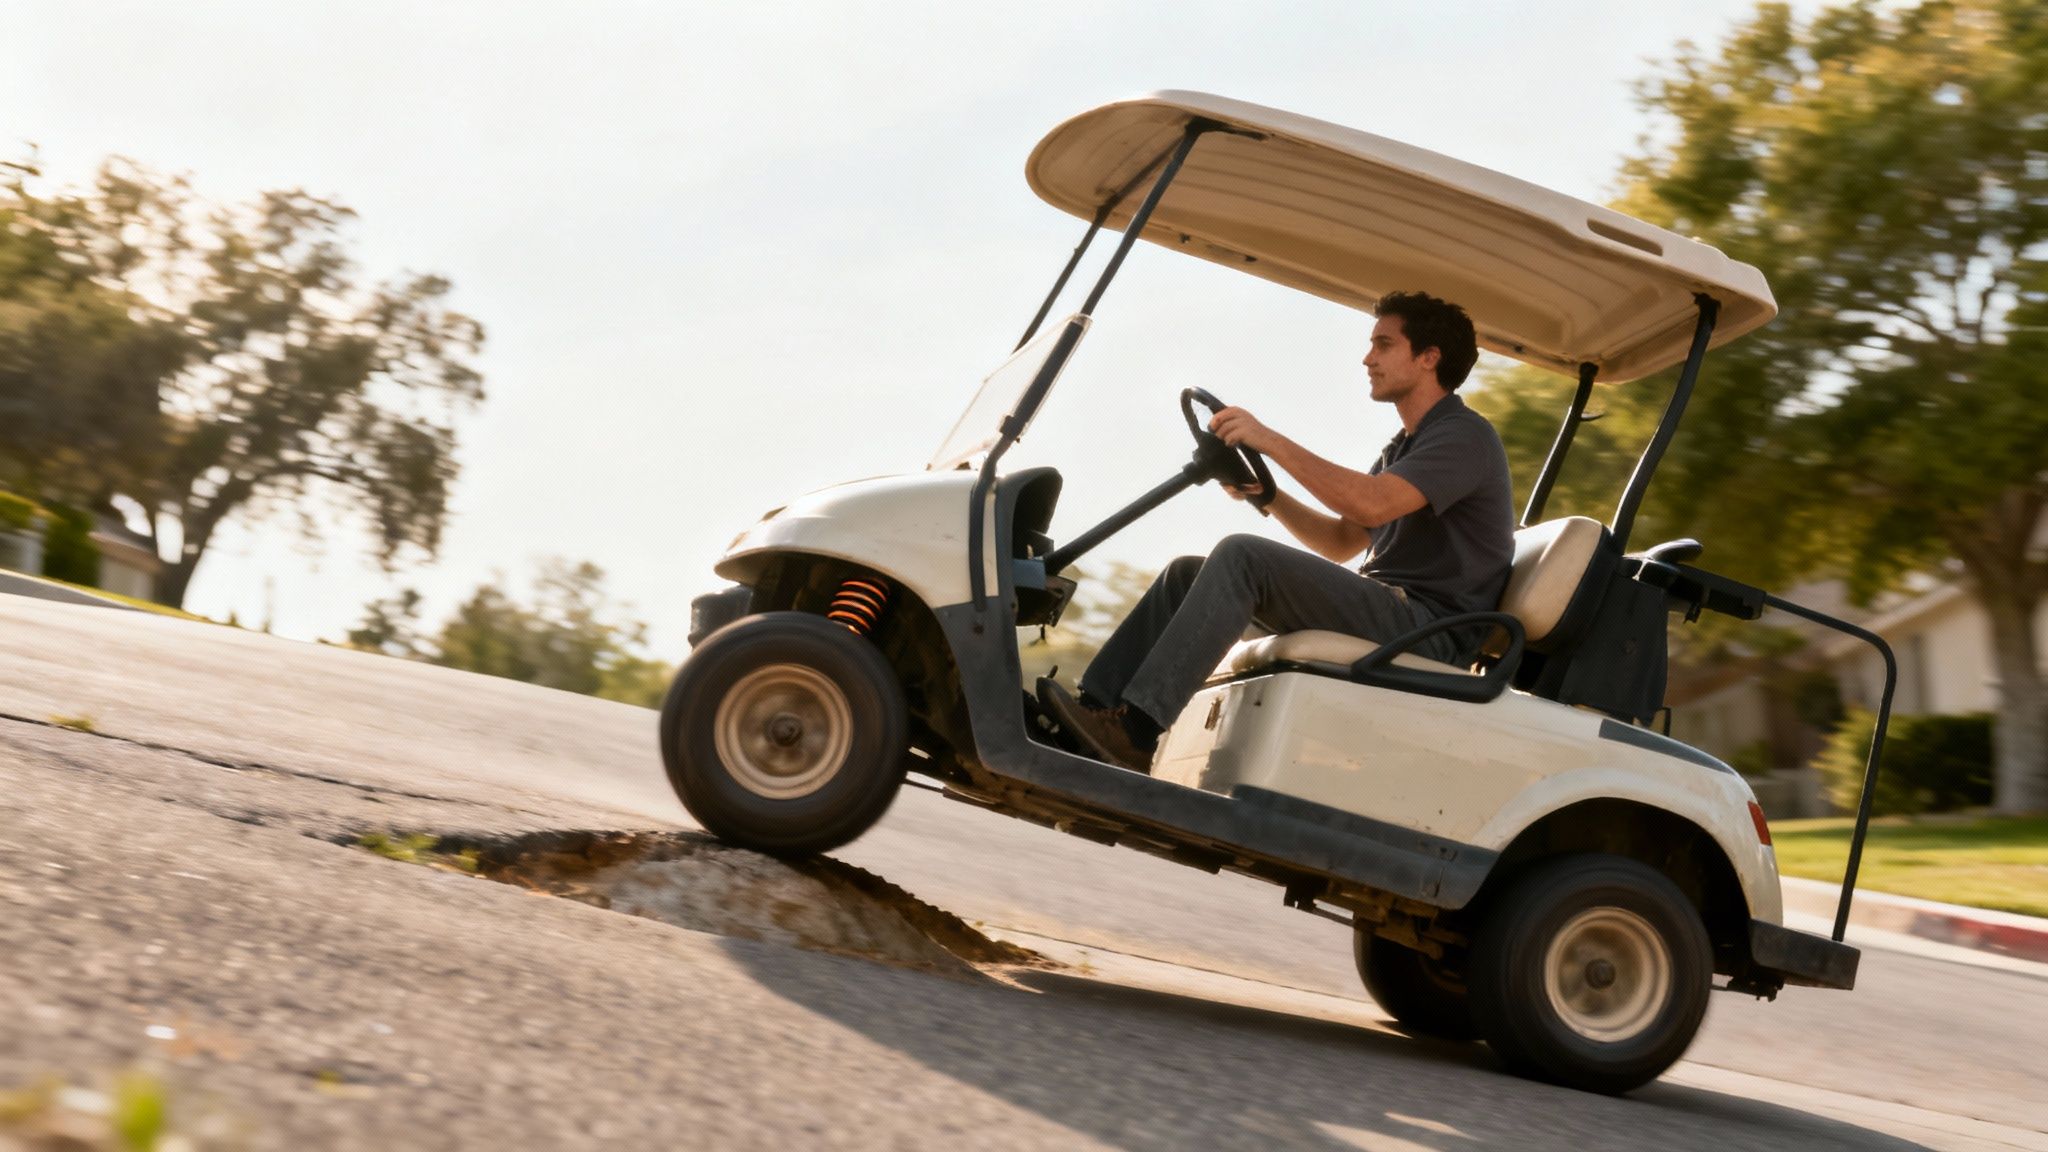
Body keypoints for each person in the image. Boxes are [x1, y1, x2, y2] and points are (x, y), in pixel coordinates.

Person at [1041, 290, 1515, 772]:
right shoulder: (1405, 447)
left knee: (1243, 557)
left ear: (1429, 358)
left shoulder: (1464, 437)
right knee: (1187, 575)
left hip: (1427, 628)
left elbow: (1370, 505)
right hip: (1392, 611)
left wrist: (1269, 441)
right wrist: (1265, 496)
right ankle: (1094, 712)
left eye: (1384, 345)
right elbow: (1341, 541)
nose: (1367, 358)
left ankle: (1137, 734)